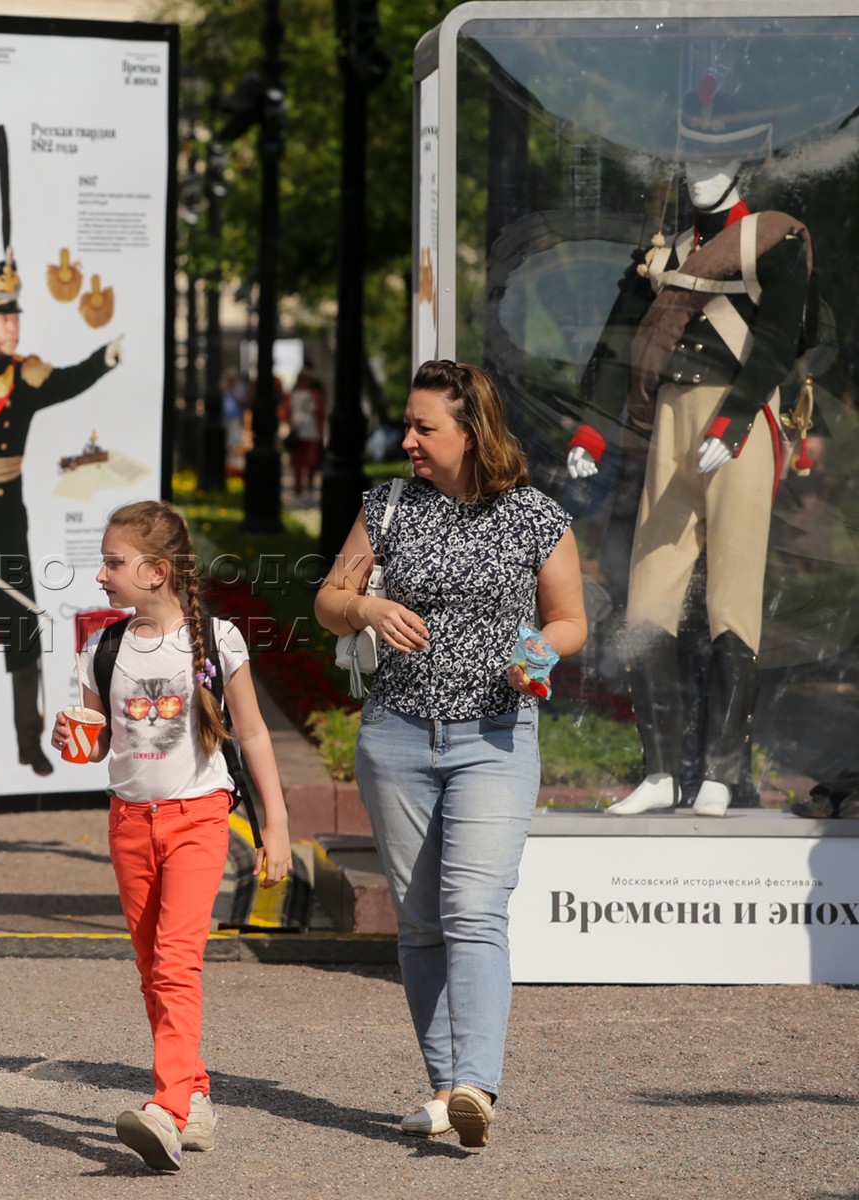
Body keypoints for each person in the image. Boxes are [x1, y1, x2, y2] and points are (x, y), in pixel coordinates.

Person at [315, 360, 586, 1149]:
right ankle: (446, 1091)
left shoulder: (536, 516)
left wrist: (537, 653)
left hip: (495, 739)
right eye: (408, 424)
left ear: (471, 434)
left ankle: (476, 1083)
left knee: (473, 909)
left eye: (423, 427)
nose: (407, 439)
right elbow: (329, 601)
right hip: (396, 737)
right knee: (420, 921)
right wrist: (367, 607)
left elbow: (569, 619)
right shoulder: (388, 506)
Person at [568, 87, 813, 818]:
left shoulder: (775, 240)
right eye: (690, 160)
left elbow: (779, 341)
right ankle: (659, 772)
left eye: (714, 160)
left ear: (742, 165)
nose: (698, 174)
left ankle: (721, 772)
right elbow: (617, 348)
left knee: (731, 597)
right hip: (670, 425)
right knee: (649, 596)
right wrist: (591, 432)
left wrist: (732, 423)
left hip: (738, 423)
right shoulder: (663, 255)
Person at [52, 500, 291, 1173]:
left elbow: (253, 733)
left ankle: (165, 1108)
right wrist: (68, 738)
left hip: (198, 818)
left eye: (113, 562)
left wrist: (276, 824)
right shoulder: (103, 648)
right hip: (130, 822)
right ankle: (196, 1092)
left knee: (176, 963)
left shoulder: (218, 641)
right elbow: (94, 743)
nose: (101, 574)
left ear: (157, 571)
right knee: (150, 969)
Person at [286, 368, 326, 497]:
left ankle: (310, 485)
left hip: (312, 432)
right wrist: (291, 424)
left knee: (311, 461)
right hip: (297, 433)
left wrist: (321, 431)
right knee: (297, 462)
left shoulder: (314, 395)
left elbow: (321, 413)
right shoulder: (292, 394)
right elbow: (285, 411)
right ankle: (298, 488)